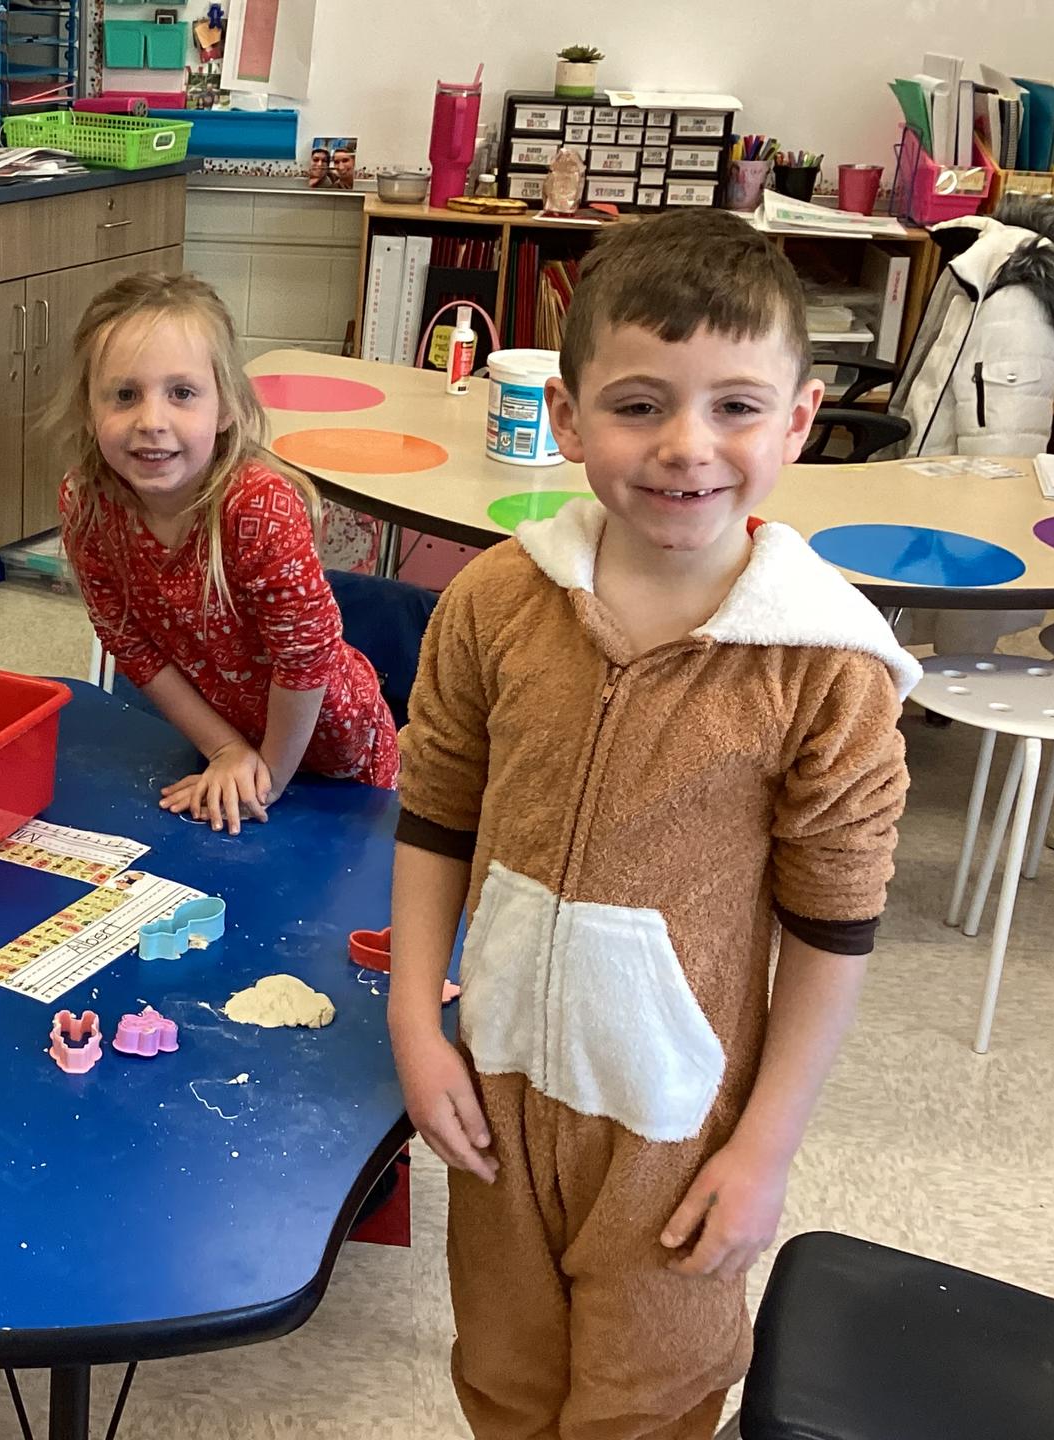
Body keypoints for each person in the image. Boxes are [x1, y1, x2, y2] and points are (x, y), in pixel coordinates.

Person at [386, 208, 917, 1439]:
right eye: (639, 404)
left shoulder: (825, 668)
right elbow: (435, 812)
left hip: (678, 1132)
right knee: (504, 1377)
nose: (687, 446)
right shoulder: (495, 601)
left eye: (737, 407)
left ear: (799, 419)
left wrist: (764, 1151)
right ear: (567, 418)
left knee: (650, 1399)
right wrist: (415, 1019)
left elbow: (834, 928)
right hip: (500, 1089)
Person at [56, 271, 397, 834]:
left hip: (340, 764)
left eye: (182, 393)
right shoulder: (86, 503)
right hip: (224, 744)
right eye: (124, 395)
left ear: (227, 406)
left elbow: (305, 659)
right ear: (90, 412)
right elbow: (131, 645)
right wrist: (225, 750)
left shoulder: (259, 507)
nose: (151, 421)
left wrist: (267, 777)